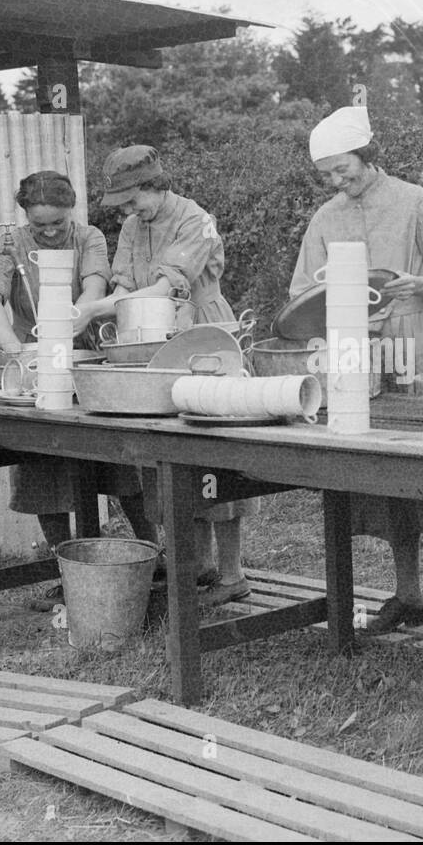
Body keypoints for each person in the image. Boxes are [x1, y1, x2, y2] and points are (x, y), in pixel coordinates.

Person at [290, 105, 423, 648]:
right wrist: (323, 326)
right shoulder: (325, 218)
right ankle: (408, 594)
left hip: (418, 345)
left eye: (342, 169)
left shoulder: (416, 201)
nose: (336, 181)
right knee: (384, 479)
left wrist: (420, 283)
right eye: (326, 174)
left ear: (368, 156)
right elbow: (302, 292)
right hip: (356, 354)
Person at [76, 145, 256, 607]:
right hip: (149, 335)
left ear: (156, 185)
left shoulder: (196, 220)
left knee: (215, 451)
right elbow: (125, 283)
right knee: (169, 450)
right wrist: (108, 306)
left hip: (203, 334)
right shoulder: (134, 225)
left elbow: (165, 287)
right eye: (123, 204)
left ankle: (233, 573)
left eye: (133, 199)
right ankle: (196, 566)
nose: (129, 211)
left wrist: (94, 309)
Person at [0, 170, 154, 571]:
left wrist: (76, 316)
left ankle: (153, 560)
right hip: (37, 370)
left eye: (58, 222)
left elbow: (94, 287)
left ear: (70, 212)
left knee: (121, 467)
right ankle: (70, 570)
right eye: (41, 225)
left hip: (88, 362)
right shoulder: (12, 244)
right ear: (25, 218)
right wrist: (16, 351)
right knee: (43, 469)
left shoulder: (89, 237)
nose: (51, 232)